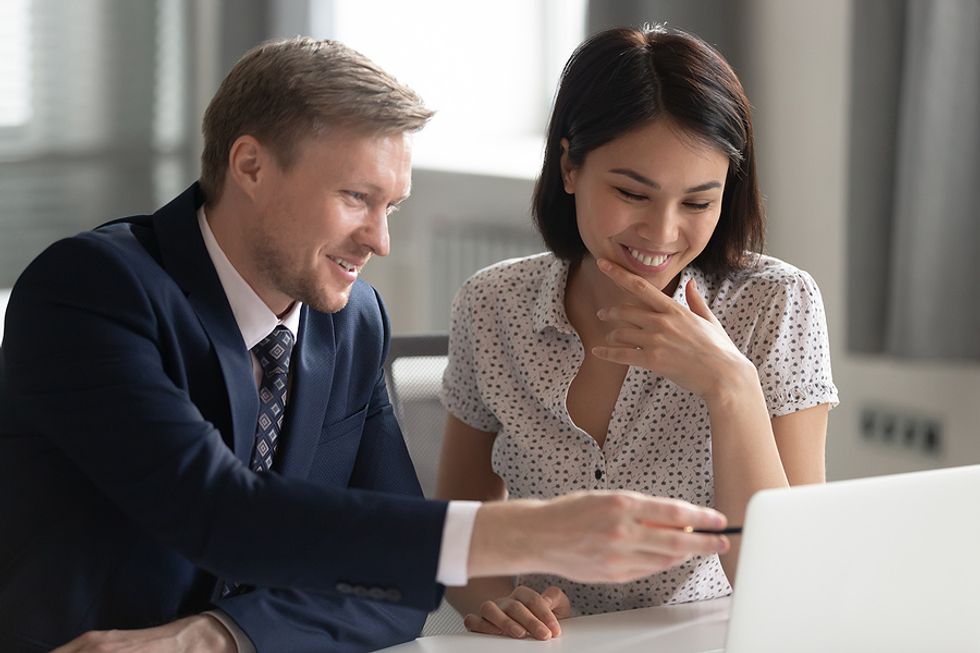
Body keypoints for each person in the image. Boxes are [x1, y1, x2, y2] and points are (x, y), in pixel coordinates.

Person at [0, 37, 732, 653]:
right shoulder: (92, 290)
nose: (380, 240)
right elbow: (218, 510)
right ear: (249, 165)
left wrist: (223, 634)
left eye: (392, 207)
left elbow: (394, 593)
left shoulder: (352, 322)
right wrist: (530, 531)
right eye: (356, 198)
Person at [438, 24, 839, 640]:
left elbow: (787, 575)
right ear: (570, 165)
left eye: (698, 203)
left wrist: (731, 386)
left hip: (701, 635)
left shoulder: (774, 303)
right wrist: (499, 602)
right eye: (632, 193)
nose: (661, 232)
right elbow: (457, 523)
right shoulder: (493, 305)